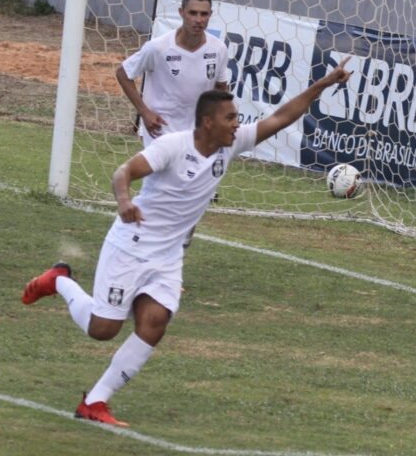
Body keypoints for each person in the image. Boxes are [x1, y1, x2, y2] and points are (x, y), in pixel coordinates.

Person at [21, 57, 352, 427]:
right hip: (131, 245)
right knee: (103, 330)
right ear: (208, 122)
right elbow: (124, 171)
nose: (237, 124)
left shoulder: (232, 144)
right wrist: (125, 202)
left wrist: (324, 84)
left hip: (167, 256)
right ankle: (60, 280)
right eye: (230, 118)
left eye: (237, 117)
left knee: (154, 323)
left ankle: (95, 401)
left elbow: (282, 116)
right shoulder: (173, 147)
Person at [116, 0, 231, 147]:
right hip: (160, 133)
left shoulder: (218, 49)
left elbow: (221, 88)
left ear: (210, 15)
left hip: (196, 136)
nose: (198, 19)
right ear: (181, 12)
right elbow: (123, 73)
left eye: (204, 14)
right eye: (192, 13)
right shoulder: (158, 48)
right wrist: (144, 112)